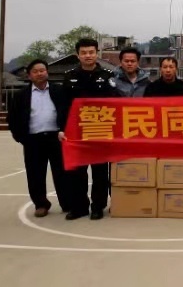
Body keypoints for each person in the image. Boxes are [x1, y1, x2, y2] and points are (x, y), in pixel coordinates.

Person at [61, 38, 117, 220]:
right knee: (77, 172)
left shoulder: (107, 75)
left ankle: (98, 207)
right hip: (76, 132)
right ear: (77, 55)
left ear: (97, 53)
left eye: (91, 52)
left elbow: (115, 103)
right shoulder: (69, 76)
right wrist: (62, 129)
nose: (88, 56)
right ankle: (79, 207)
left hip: (100, 129)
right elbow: (64, 106)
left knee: (100, 172)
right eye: (84, 53)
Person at [7, 59, 70, 218]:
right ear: (29, 75)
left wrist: (64, 130)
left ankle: (67, 203)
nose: (40, 73)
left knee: (62, 173)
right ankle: (41, 204)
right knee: (35, 174)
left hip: (57, 138)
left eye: (42, 70)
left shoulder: (59, 91)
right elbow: (12, 118)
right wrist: (21, 137)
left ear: (47, 72)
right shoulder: (21, 95)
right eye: (35, 71)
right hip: (33, 140)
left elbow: (67, 112)